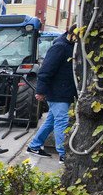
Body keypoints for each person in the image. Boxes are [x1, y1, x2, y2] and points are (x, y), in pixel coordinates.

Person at [26, 29, 76, 163]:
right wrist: (40, 91)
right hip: (58, 92)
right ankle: (63, 154)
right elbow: (46, 70)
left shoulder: (69, 46)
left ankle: (34, 146)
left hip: (62, 91)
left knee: (52, 121)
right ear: (72, 34)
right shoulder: (60, 47)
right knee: (62, 121)